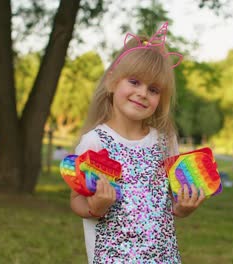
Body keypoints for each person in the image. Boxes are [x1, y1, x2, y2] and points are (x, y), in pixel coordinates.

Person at [69, 22, 204, 263]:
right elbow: (77, 200)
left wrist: (184, 208)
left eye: (153, 89)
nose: (142, 93)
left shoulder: (165, 141)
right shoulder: (95, 142)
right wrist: (96, 206)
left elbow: (172, 202)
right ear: (112, 81)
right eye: (134, 82)